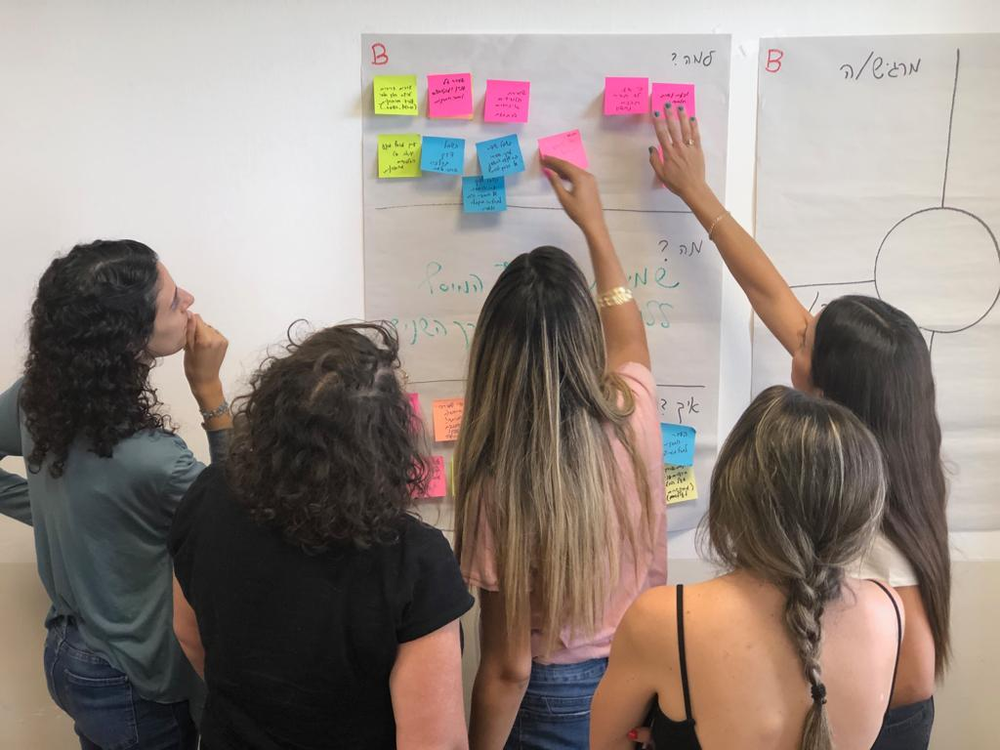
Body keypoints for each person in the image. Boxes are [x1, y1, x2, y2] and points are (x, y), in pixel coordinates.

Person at [646, 103, 947, 748]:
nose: (795, 333)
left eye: (806, 339)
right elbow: (769, 294)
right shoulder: (890, 428)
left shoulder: (871, 522)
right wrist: (696, 191)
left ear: (832, 389)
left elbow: (914, 679)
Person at [168, 322, 473, 750]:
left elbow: (187, 633)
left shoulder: (210, 494)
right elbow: (436, 744)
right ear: (387, 444)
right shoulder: (415, 561)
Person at [454, 156, 667, 749]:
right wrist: (595, 227)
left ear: (493, 357)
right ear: (584, 335)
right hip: (639, 675)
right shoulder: (635, 409)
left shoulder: (500, 479)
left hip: (555, 696)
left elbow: (508, 668)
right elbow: (629, 334)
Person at [0, 239, 230, 749]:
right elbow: (238, 526)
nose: (189, 300)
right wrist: (210, 394)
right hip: (135, 681)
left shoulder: (37, 397)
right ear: (130, 338)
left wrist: (55, 514)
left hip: (69, 655)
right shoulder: (155, 460)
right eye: (173, 301)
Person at [592, 385, 902, 750]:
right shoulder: (889, 610)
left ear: (734, 489)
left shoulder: (664, 620)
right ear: (863, 506)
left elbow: (607, 743)